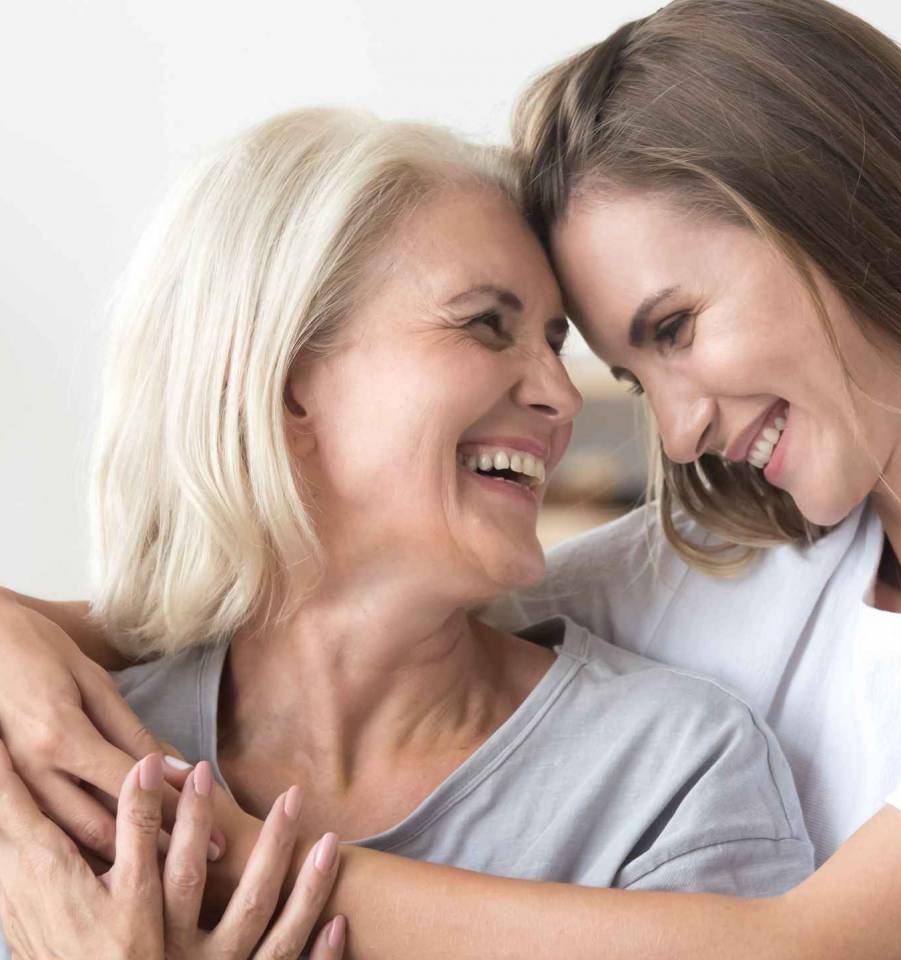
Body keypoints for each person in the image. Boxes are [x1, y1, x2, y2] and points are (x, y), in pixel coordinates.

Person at [3, 0, 901, 956]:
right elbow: (340, 595)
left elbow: (794, 952)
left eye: (671, 328)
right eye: (626, 361)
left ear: (838, 218)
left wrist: (205, 851)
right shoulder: (759, 557)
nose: (667, 435)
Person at [0, 104, 814, 960]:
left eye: (553, 342)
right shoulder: (58, 761)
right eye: (484, 324)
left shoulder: (669, 778)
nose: (562, 397)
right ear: (283, 387)